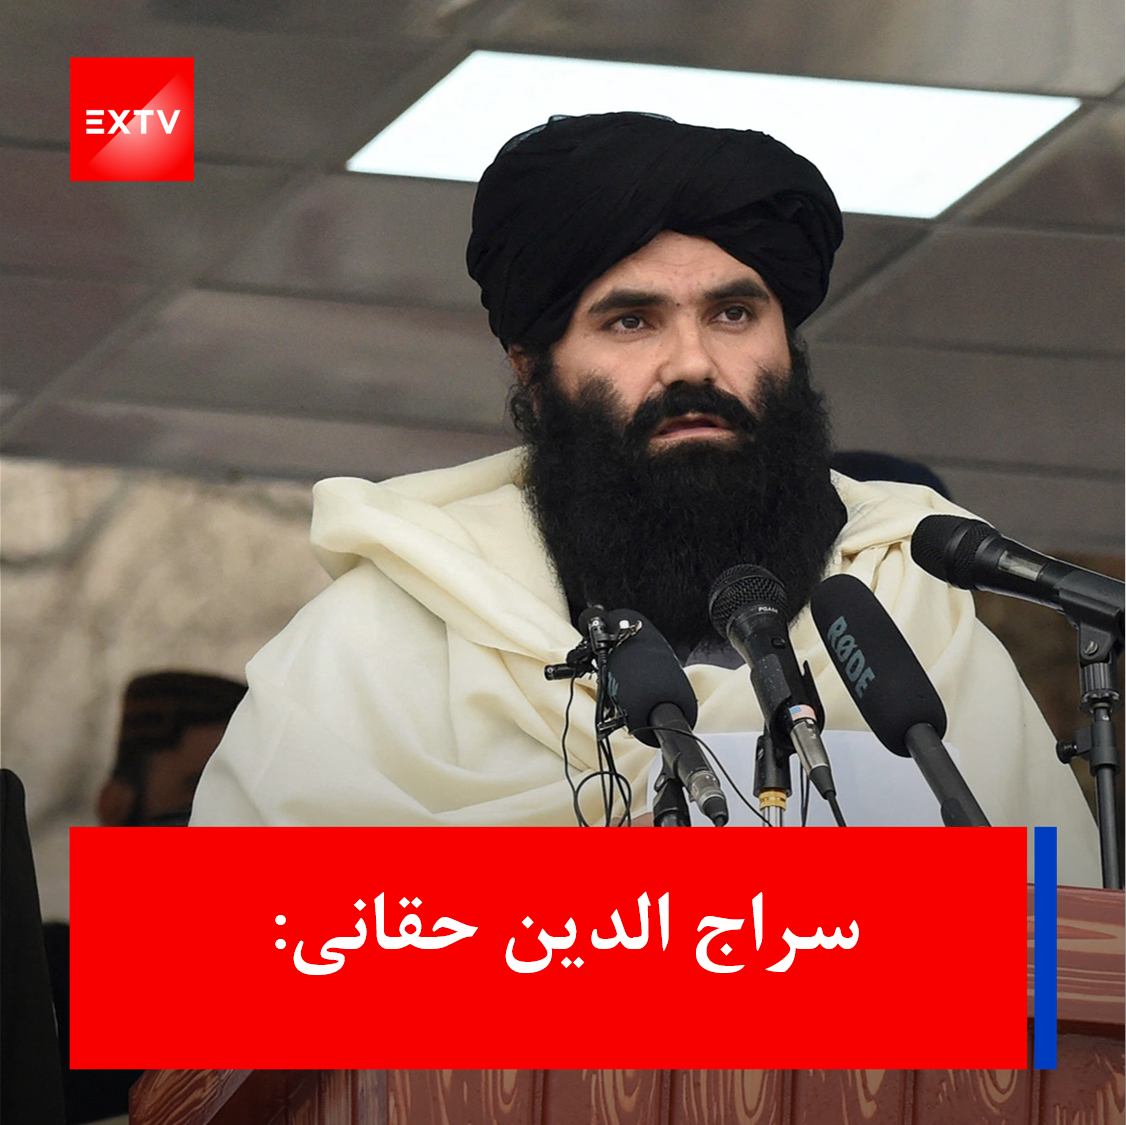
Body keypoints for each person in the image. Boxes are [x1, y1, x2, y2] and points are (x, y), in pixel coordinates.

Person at [190, 112, 1100, 886]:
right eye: (632, 321)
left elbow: (1068, 962)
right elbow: (231, 956)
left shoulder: (910, 617)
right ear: (533, 372)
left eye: (734, 314)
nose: (693, 363)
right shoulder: (385, 643)